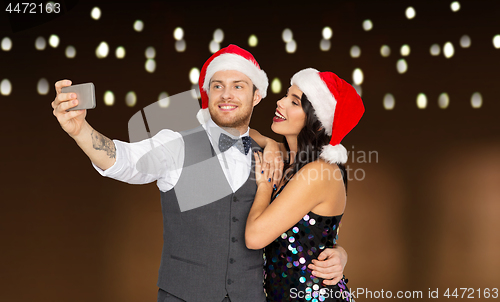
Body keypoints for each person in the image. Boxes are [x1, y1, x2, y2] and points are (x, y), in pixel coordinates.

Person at [51, 45, 348, 302]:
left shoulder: (279, 160)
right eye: (217, 85)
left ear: (257, 96)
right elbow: (125, 160)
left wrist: (340, 254)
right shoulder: (177, 144)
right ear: (207, 93)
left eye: (238, 86)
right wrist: (81, 132)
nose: (226, 95)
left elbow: (313, 224)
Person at [246, 68, 364, 301]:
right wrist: (270, 144)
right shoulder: (288, 159)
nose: (279, 102)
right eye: (286, 96)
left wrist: (265, 184)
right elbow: (239, 131)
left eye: (294, 102)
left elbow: (254, 237)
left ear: (318, 123)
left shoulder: (320, 171)